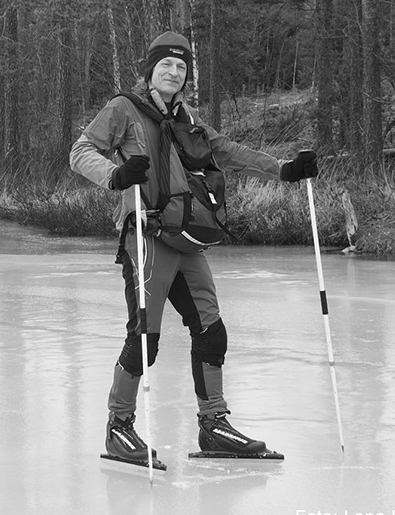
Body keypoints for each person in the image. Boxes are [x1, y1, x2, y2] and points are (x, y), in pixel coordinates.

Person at [69, 32, 318, 465]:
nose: (174, 72)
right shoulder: (124, 108)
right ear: (150, 70)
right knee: (145, 338)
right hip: (146, 238)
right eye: (166, 65)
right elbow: (80, 151)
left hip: (186, 240)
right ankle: (119, 428)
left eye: (181, 67)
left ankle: (214, 425)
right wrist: (115, 174)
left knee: (211, 329)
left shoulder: (187, 118)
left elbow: (227, 151)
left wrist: (284, 170)